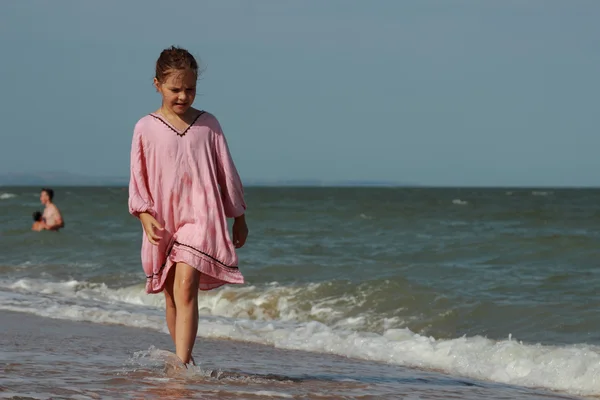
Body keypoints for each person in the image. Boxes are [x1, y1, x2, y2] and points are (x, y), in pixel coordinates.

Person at [128, 46, 249, 368]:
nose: (183, 96)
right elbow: (137, 177)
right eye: (175, 89)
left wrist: (238, 216)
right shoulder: (145, 127)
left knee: (185, 288)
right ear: (157, 84)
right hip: (163, 220)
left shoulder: (209, 124)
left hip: (201, 217)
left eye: (190, 89)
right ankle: (188, 361)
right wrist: (143, 215)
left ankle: (180, 366)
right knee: (170, 296)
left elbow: (227, 171)